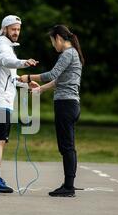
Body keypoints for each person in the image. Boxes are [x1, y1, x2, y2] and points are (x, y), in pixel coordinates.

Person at [18, 24, 85, 197]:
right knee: (68, 146)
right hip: (71, 104)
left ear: (58, 38)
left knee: (67, 147)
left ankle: (68, 187)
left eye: (52, 42)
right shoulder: (73, 54)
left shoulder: (67, 53)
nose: (53, 46)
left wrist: (28, 77)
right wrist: (40, 89)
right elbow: (58, 81)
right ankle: (69, 184)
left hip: (65, 105)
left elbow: (52, 74)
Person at [0, 15, 39, 193]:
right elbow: (5, 60)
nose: (16, 32)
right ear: (4, 29)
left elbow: (10, 78)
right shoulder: (0, 45)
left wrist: (25, 83)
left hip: (3, 100)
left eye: (18, 29)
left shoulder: (8, 47)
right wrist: (23, 63)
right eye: (13, 29)